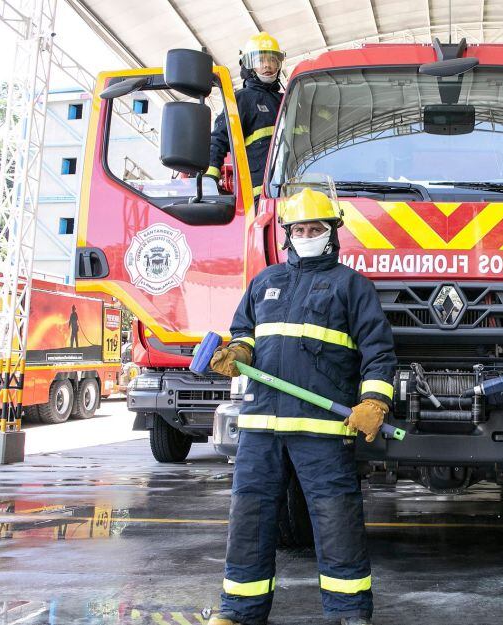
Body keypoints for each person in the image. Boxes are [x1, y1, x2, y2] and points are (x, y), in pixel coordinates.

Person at [205, 188, 397, 625]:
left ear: (333, 234)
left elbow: (378, 352)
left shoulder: (352, 287)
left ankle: (349, 613)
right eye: (299, 229)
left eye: (316, 228)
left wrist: (374, 400)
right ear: (288, 235)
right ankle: (238, 611)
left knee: (336, 521)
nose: (307, 235)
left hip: (323, 430)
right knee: (249, 520)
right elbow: (244, 333)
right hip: (260, 429)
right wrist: (238, 352)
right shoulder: (264, 282)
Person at [207, 32, 285, 197]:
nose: (267, 65)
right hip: (261, 196)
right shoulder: (242, 99)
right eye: (260, 60)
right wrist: (210, 178)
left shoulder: (287, 99)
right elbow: (219, 138)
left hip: (293, 192)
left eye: (272, 60)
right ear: (248, 65)